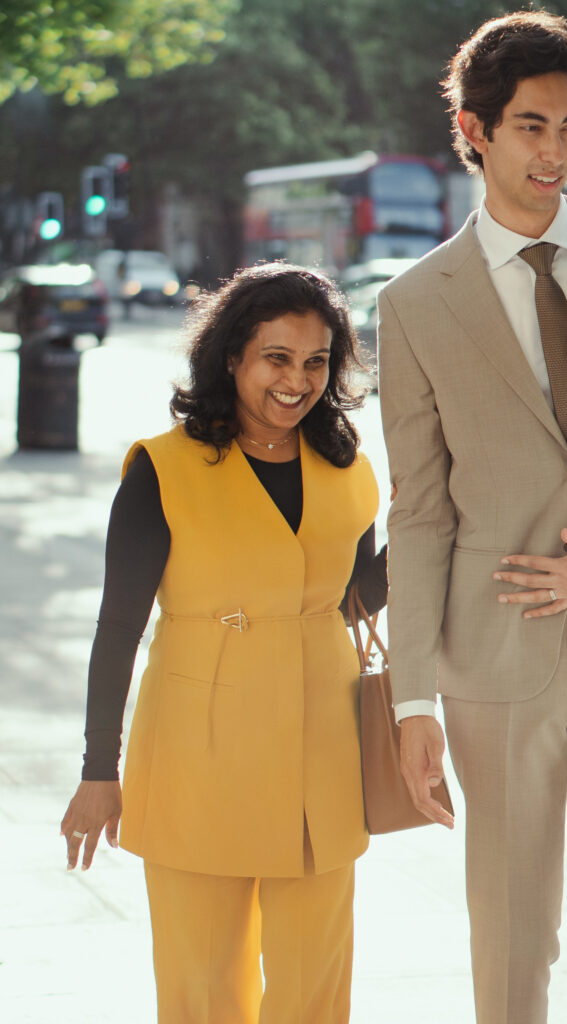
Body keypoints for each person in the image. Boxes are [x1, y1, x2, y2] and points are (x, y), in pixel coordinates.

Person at [378, 11, 567, 1024]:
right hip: (495, 659)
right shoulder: (414, 304)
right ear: (472, 129)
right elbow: (416, 512)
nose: (553, 152)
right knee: (512, 927)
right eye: (528, 127)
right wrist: (409, 699)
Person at [61, 263, 387, 1024]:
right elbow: (117, 630)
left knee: (314, 991)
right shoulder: (162, 470)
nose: (296, 380)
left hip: (323, 761)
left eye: (315, 362)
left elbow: (346, 604)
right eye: (277, 357)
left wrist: (428, 535)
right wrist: (98, 771)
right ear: (231, 357)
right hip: (196, 757)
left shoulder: (349, 469)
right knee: (202, 992)